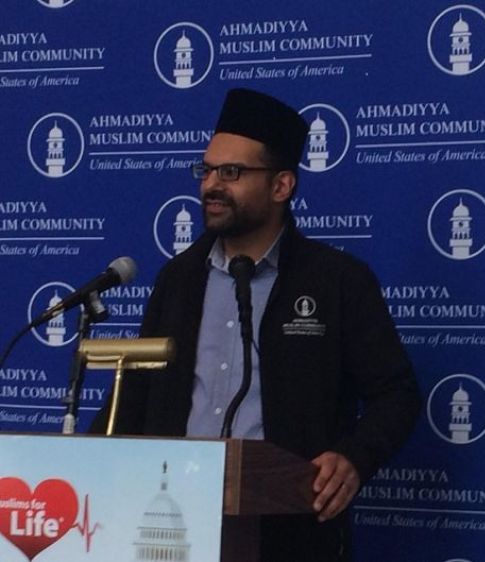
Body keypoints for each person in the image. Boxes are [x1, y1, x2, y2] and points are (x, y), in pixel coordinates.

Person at [91, 88, 421, 561]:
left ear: (281, 186)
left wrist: (353, 458)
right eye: (206, 170)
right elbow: (136, 395)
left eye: (232, 172)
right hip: (173, 522)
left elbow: (398, 393)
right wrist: (90, 472)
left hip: (288, 528)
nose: (210, 186)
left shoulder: (336, 280)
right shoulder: (179, 278)